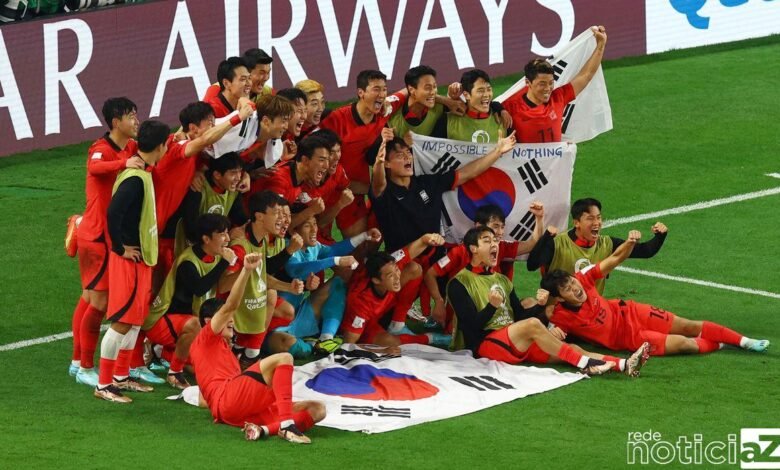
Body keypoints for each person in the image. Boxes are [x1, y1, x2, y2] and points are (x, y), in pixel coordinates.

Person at [447, 227, 648, 376]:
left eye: (495, 241)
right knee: (535, 326)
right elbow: (471, 328)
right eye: (486, 241)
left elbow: (518, 316)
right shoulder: (459, 282)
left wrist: (542, 308)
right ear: (473, 248)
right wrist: (491, 306)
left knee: (572, 349)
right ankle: (585, 363)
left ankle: (624, 364)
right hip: (486, 346)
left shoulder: (501, 279)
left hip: (514, 341)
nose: (494, 244)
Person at [540, 230, 770, 356]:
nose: (576, 289)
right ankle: (720, 343)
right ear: (560, 297)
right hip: (630, 340)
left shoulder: (584, 279)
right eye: (568, 289)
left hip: (631, 312)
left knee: (689, 326)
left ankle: (744, 341)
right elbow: (547, 335)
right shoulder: (559, 315)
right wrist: (549, 320)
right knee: (685, 344)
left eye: (572, 283)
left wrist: (630, 242)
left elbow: (614, 259)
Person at [370, 131, 517, 326]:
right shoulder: (385, 191)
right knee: (379, 320)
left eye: (408, 153)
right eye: (399, 155)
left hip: (433, 260)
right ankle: (395, 322)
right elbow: (378, 184)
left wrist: (498, 151)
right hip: (403, 263)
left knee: (463, 266)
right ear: (387, 164)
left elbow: (467, 173)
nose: (407, 157)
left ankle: (463, 322)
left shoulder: (427, 183)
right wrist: (378, 164)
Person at [190, 252, 325, 444]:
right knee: (284, 359)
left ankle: (262, 430)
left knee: (317, 409)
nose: (231, 320)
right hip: (228, 400)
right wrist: (246, 270)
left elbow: (204, 401)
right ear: (209, 321)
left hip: (237, 410)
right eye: (226, 317)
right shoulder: (204, 338)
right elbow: (231, 305)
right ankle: (287, 426)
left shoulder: (217, 352)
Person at [95, 120, 170, 403]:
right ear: (161, 146)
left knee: (135, 321)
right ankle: (104, 385)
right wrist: (119, 248)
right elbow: (113, 213)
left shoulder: (143, 172)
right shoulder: (135, 178)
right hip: (129, 259)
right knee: (122, 323)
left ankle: (121, 377)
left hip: (141, 257)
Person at [70, 97, 142, 387]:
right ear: (116, 122)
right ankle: (87, 366)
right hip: (97, 237)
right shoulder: (100, 149)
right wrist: (125, 162)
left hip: (95, 234)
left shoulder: (129, 146)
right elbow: (96, 168)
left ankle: (77, 362)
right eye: (131, 116)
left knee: (88, 298)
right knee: (98, 302)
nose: (136, 120)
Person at [142, 214, 235, 389]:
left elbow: (221, 288)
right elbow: (199, 288)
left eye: (227, 233)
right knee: (195, 325)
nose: (227, 239)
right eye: (222, 234)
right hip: (160, 322)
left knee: (205, 362)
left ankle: (164, 352)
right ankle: (174, 373)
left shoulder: (214, 256)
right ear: (206, 239)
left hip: (184, 324)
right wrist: (224, 263)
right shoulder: (188, 262)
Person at [425, 202, 545, 327]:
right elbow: (430, 274)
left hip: (498, 311)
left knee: (531, 303)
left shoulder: (501, 249)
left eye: (502, 227)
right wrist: (439, 302)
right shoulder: (459, 254)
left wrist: (539, 218)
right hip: (468, 317)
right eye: (495, 226)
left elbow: (532, 244)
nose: (500, 233)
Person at [319, 69, 405, 237]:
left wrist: (447, 101)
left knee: (362, 247)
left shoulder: (384, 110)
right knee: (318, 250)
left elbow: (410, 90)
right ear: (361, 93)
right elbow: (311, 147)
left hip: (356, 196)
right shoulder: (337, 119)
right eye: (376, 89)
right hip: (328, 193)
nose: (382, 94)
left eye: (384, 89)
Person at [527, 197, 668, 293]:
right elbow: (532, 264)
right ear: (576, 223)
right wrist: (545, 238)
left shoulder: (606, 243)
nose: (597, 223)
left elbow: (646, 251)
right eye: (590, 218)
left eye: (599, 218)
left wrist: (661, 235)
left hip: (592, 312)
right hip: (558, 313)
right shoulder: (557, 243)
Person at [340, 233, 451, 348]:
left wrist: (428, 238)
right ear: (376, 280)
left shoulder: (388, 265)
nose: (397, 277)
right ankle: (430, 338)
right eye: (390, 276)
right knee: (390, 342)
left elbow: (412, 248)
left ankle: (397, 324)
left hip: (383, 303)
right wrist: (382, 351)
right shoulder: (361, 304)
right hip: (366, 322)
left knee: (414, 268)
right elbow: (348, 344)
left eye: (397, 270)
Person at [502, 25, 608, 143]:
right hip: (526, 162)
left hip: (555, 161)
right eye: (542, 84)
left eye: (551, 83)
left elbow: (586, 75)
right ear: (528, 83)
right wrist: (499, 109)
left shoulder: (559, 97)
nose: (548, 88)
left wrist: (600, 46)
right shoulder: (510, 108)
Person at [252, 134, 331, 230]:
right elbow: (276, 226)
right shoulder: (280, 180)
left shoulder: (299, 178)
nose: (327, 166)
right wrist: (311, 210)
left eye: (327, 160)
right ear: (305, 160)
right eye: (321, 160)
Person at [434, 69, 507, 142]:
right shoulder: (447, 121)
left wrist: (500, 109)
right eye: (480, 91)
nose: (486, 95)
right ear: (466, 95)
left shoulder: (503, 119)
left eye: (489, 89)